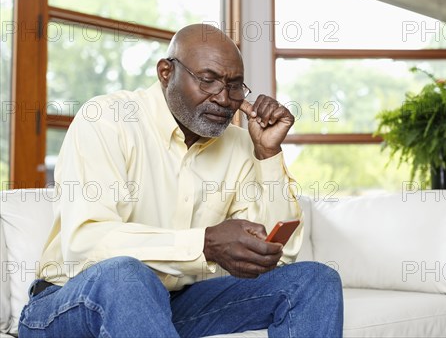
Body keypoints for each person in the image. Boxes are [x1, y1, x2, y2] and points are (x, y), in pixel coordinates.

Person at [18, 24, 344, 337]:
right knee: (126, 275)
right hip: (69, 303)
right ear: (166, 72)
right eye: (208, 80)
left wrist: (268, 155)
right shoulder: (107, 120)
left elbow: (281, 255)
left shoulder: (242, 143)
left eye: (234, 85)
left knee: (314, 280)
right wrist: (205, 243)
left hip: (176, 302)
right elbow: (85, 244)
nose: (223, 98)